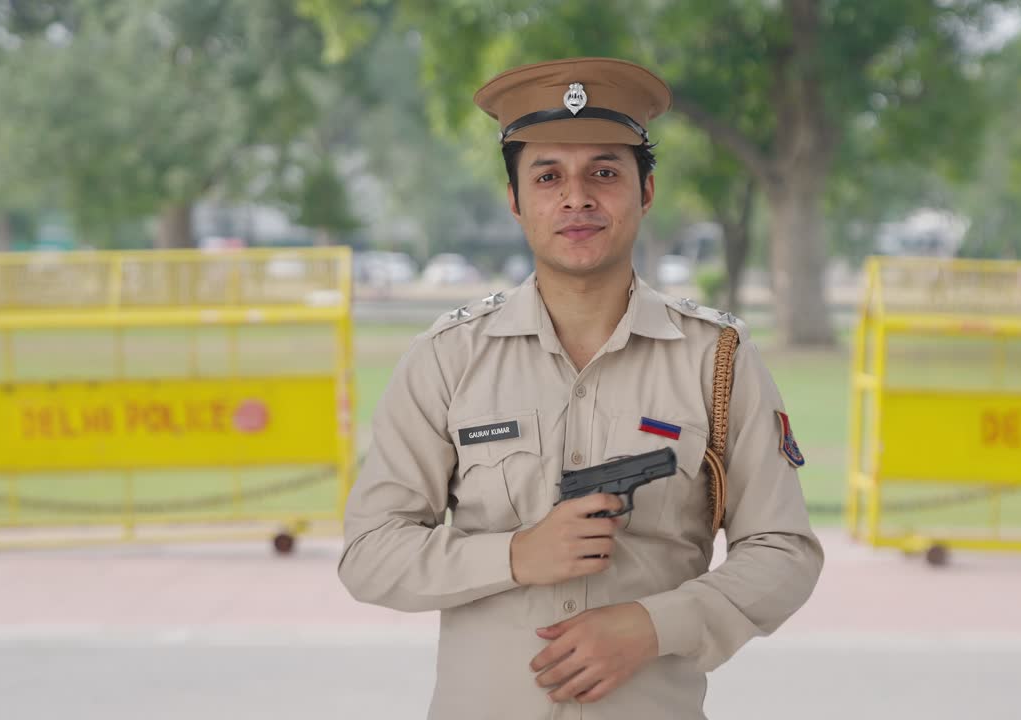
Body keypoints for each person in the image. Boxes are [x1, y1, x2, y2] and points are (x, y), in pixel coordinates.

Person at [338, 56, 824, 719]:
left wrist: (658, 624)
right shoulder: (447, 361)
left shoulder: (717, 361)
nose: (577, 198)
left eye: (604, 172)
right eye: (548, 176)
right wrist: (515, 555)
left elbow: (783, 550)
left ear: (646, 190)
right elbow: (370, 553)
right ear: (514, 200)